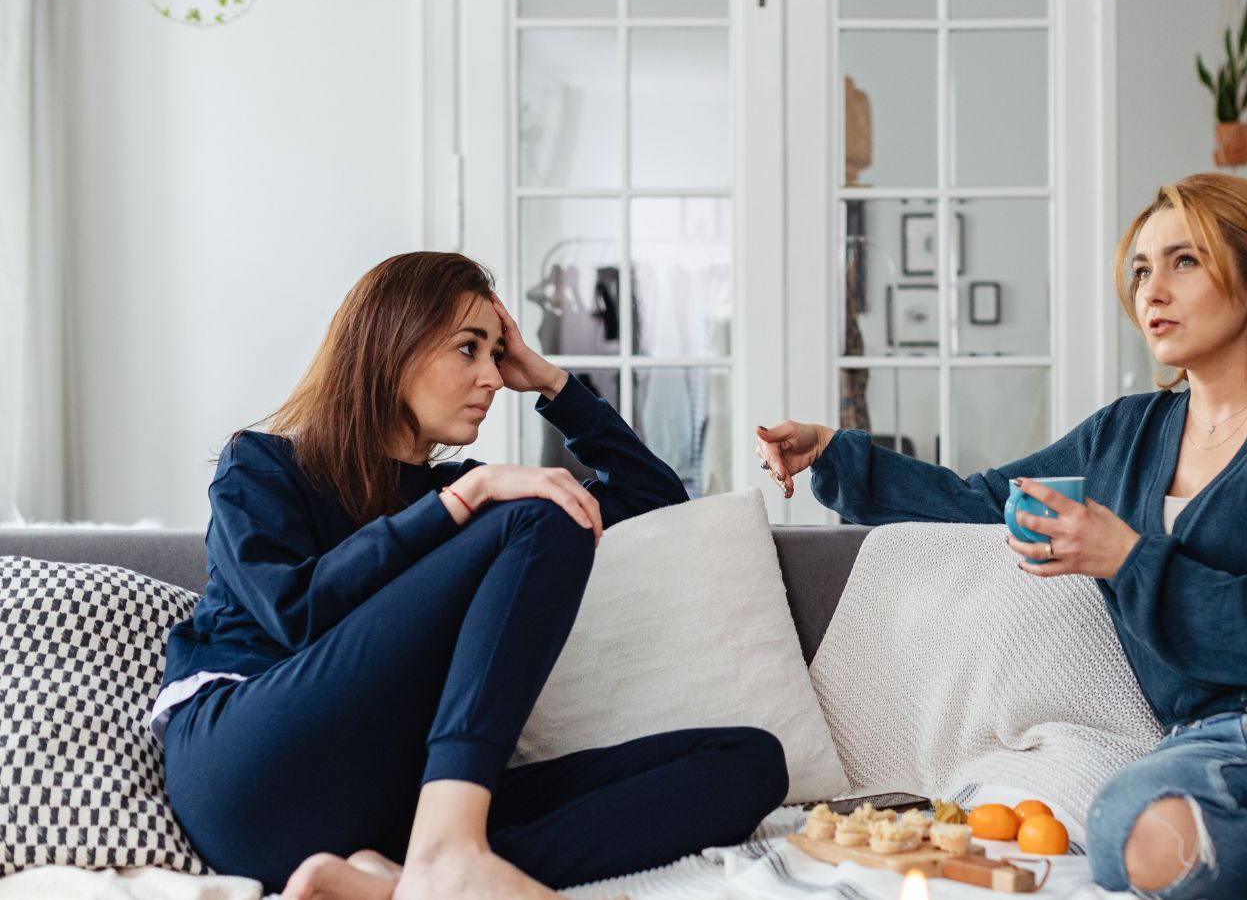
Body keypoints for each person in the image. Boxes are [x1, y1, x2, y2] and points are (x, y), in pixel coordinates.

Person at [755, 174, 1247, 899]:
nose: (1152, 291)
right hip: (1212, 741)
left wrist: (1127, 557)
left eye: (1184, 262)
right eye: (1141, 270)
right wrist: (835, 453)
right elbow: (981, 502)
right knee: (1136, 835)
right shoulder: (1125, 434)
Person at [154, 252, 787, 900]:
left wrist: (547, 380)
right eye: (468, 349)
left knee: (750, 762)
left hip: (395, 797)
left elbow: (655, 501)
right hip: (247, 764)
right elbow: (295, 611)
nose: (491, 377)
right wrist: (461, 500)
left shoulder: (470, 496)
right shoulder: (261, 465)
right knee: (545, 509)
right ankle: (450, 851)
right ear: (391, 347)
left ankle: (409, 880)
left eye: (497, 353)